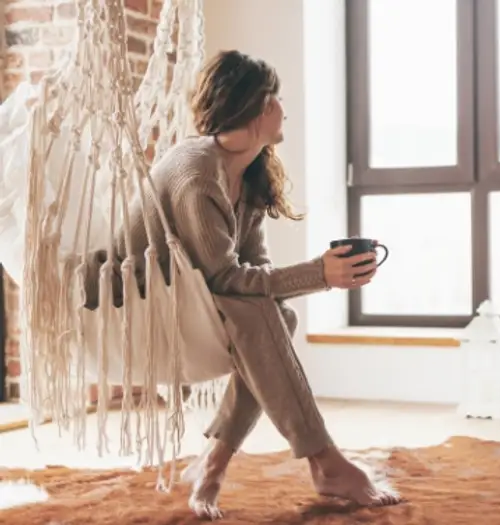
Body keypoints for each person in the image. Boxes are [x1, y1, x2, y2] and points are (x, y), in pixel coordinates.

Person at [107, 50, 401, 519]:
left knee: (276, 314)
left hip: (196, 293)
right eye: (278, 98)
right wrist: (319, 275)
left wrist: (322, 275)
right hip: (140, 299)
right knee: (260, 313)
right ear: (260, 106)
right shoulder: (196, 174)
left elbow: (254, 269)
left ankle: (215, 463)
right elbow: (225, 277)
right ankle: (325, 460)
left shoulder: (250, 175)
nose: (284, 108)